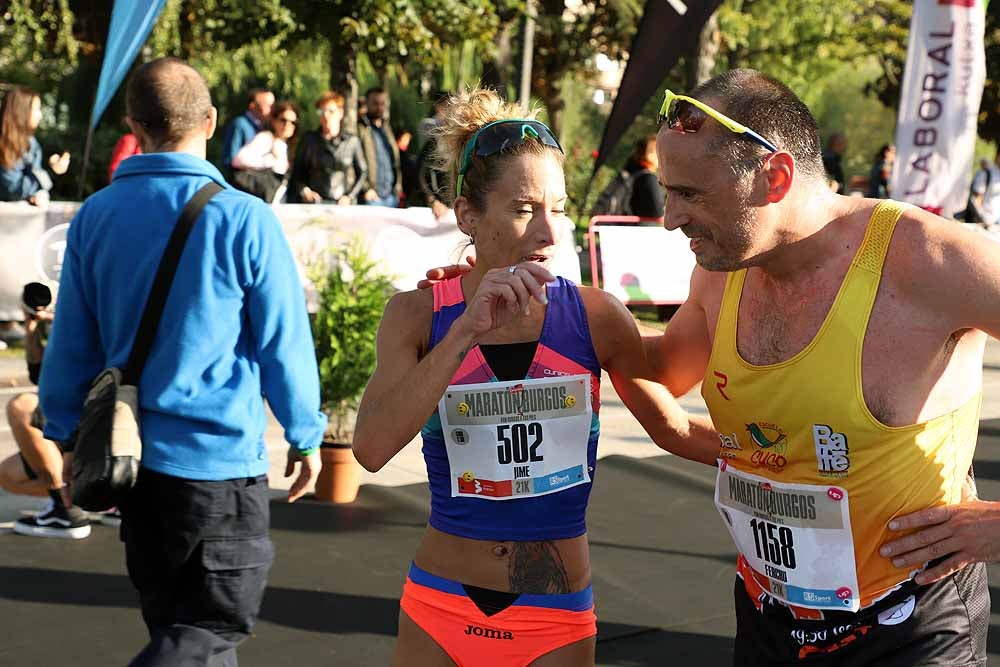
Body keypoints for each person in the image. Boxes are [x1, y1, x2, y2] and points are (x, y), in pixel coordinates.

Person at [352, 88, 718, 667]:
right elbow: (370, 450)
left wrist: (789, 465)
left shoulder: (595, 316)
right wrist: (465, 333)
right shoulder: (419, 315)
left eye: (560, 208)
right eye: (525, 209)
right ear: (470, 215)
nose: (549, 233)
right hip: (441, 603)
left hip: (555, 614)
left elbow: (674, 429)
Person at [641, 70, 996, 665]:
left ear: (774, 178)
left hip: (910, 622)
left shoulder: (925, 261)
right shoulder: (721, 271)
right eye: (668, 191)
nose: (671, 217)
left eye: (692, 194)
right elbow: (658, 376)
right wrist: (562, 311)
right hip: (768, 615)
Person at [38, 57, 325, 666]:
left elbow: (71, 346)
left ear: (133, 125)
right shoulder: (244, 218)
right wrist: (305, 434)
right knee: (207, 635)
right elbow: (283, 343)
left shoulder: (95, 216)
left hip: (133, 468)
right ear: (213, 121)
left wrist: (63, 434)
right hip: (219, 470)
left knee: (181, 631)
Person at [0, 285, 92, 539]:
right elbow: (38, 375)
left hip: (97, 424)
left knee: (22, 406)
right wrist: (32, 328)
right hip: (74, 428)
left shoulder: (88, 317)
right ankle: (88, 499)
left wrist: (60, 321)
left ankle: (66, 510)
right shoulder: (60, 327)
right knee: (9, 476)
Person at [287, 91, 367, 205]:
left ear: (340, 113)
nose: (325, 116)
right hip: (314, 202)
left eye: (330, 111)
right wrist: (305, 191)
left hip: (341, 203)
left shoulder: (351, 141)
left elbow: (363, 171)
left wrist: (350, 196)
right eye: (321, 111)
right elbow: (297, 172)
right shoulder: (309, 140)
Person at [0, 86, 70, 205]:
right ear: (21, 111)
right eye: (36, 109)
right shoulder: (4, 144)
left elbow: (32, 185)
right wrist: (50, 172)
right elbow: (13, 189)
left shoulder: (31, 143)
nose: (40, 116)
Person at [231, 100, 299, 203]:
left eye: (293, 122)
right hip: (259, 200)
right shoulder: (266, 138)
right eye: (283, 120)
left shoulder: (289, 146)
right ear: (274, 121)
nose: (287, 125)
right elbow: (238, 160)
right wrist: (270, 160)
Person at [358, 87, 403, 207]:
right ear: (367, 103)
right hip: (371, 196)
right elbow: (354, 163)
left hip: (391, 195)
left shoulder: (387, 127)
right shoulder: (360, 128)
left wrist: (398, 185)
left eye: (382, 104)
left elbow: (394, 160)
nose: (379, 107)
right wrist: (366, 189)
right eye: (375, 103)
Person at [220, 87, 274, 177]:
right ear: (252, 106)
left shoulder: (266, 128)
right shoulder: (240, 124)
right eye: (268, 105)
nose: (272, 110)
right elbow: (229, 159)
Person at [416, 92, 452, 220]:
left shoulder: (466, 141)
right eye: (448, 106)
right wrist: (432, 201)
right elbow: (421, 173)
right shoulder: (432, 135)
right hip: (437, 207)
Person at [968, 151, 1000, 226]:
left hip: (997, 224)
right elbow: (976, 198)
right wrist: (982, 218)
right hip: (983, 222)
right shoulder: (985, 173)